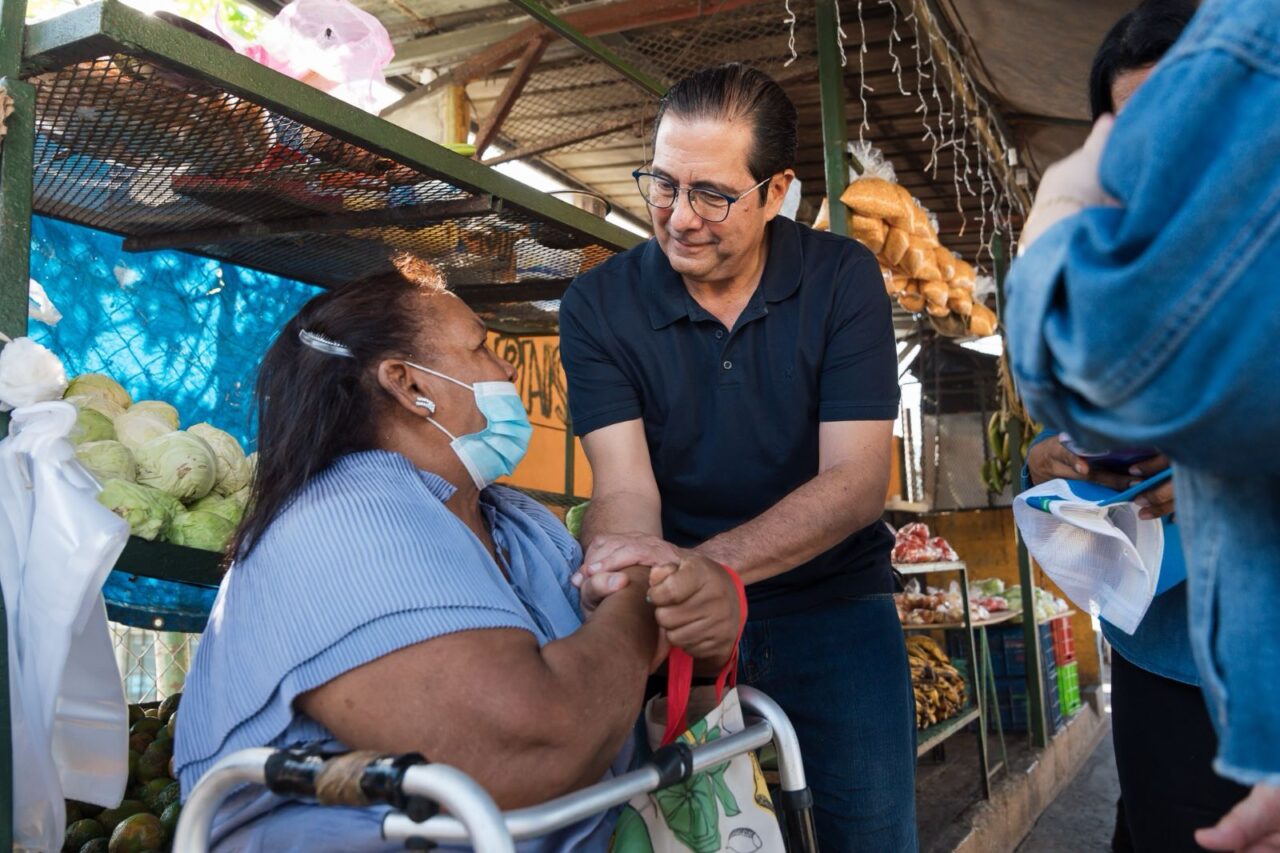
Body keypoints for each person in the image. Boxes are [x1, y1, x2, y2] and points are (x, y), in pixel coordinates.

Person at [174, 259, 738, 852]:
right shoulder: (344, 523)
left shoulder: (515, 522)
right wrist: (642, 598)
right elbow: (535, 745)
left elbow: (612, 683)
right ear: (410, 384)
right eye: (483, 348)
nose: (507, 367)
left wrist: (697, 625)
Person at [559, 64, 915, 851]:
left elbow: (856, 483)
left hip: (834, 610)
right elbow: (623, 485)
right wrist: (633, 572)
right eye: (662, 183)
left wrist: (713, 566)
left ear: (777, 189)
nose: (679, 217)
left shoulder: (841, 279)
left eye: (712, 194)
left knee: (871, 832)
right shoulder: (598, 305)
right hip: (676, 625)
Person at [1005, 0, 1280, 848]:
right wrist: (1046, 462)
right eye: (1131, 138)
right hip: (1167, 664)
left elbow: (1056, 346)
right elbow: (1058, 406)